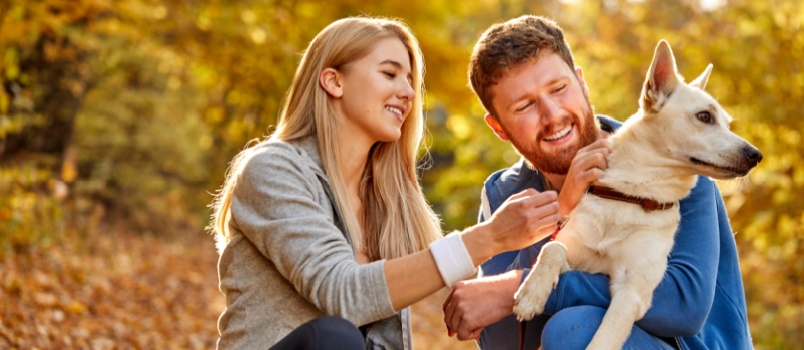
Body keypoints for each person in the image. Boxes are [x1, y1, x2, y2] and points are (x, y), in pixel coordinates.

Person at [208, 16, 562, 349]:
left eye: (410, 80)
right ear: (334, 81)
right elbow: (343, 294)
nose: (408, 92)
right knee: (335, 337)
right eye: (390, 73)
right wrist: (489, 237)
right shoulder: (273, 170)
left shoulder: (385, 202)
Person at [442, 15, 752, 349]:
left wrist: (525, 285)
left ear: (581, 83)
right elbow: (502, 337)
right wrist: (559, 212)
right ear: (499, 127)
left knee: (573, 327)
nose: (552, 115)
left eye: (559, 89)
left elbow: (683, 308)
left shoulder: (675, 160)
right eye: (525, 105)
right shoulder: (503, 194)